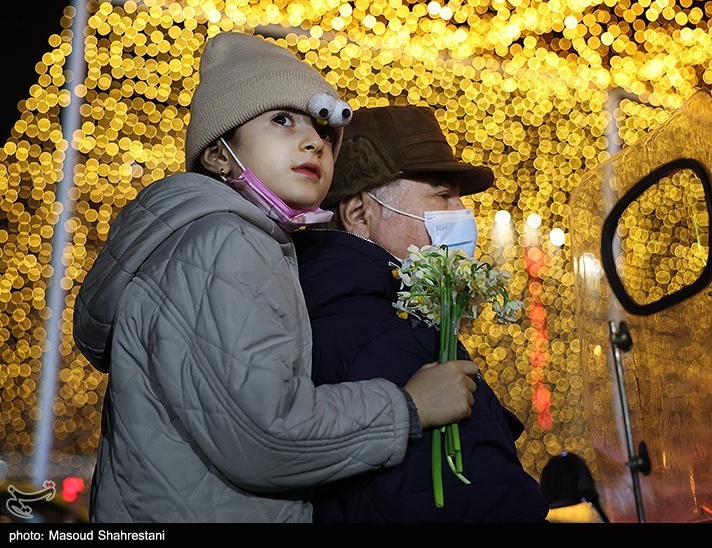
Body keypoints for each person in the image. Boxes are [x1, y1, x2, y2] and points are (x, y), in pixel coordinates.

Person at [72, 32, 479, 523]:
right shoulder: (226, 242)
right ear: (219, 154)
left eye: (325, 131)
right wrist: (408, 406)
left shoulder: (228, 241)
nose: (314, 141)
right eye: (282, 120)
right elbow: (265, 436)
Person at [293, 105, 551, 522]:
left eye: (460, 198)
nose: (461, 215)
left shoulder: (356, 310)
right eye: (442, 194)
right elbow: (463, 503)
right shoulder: (377, 333)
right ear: (360, 213)